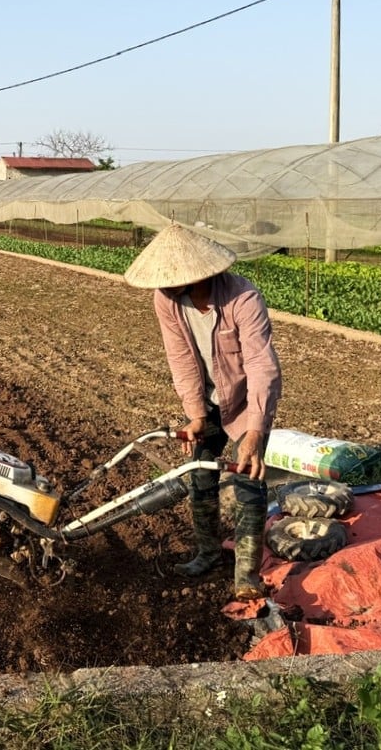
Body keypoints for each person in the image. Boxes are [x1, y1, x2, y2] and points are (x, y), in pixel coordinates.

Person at [124, 223, 282, 601]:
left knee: (249, 480)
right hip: (209, 402)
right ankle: (208, 553)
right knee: (201, 474)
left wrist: (256, 432)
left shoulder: (243, 298)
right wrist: (195, 413)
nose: (168, 285)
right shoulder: (167, 300)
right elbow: (180, 358)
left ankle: (246, 575)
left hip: (246, 404)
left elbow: (262, 364)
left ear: (201, 274)